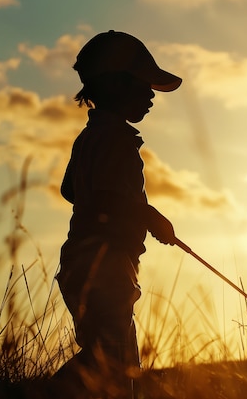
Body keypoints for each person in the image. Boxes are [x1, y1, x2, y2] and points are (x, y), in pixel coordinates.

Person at [54, 30, 181, 399]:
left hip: (85, 261)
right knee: (111, 365)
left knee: (115, 365)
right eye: (144, 85)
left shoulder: (91, 136)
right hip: (104, 262)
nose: (152, 95)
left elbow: (70, 190)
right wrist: (150, 215)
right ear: (116, 85)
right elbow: (109, 197)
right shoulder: (117, 138)